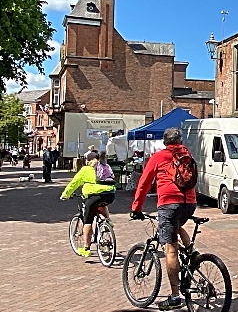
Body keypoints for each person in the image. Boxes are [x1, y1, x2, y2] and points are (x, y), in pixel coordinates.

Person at [130, 127, 197, 311]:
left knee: (171, 250)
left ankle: (175, 296)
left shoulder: (159, 157)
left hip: (169, 204)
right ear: (180, 140)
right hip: (190, 202)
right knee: (176, 226)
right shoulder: (187, 154)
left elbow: (144, 182)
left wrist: (136, 207)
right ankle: (193, 255)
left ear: (165, 142)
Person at [60, 152, 116, 257]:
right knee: (102, 203)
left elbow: (74, 183)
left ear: (88, 161)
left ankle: (86, 248)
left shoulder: (85, 169)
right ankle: (108, 220)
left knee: (88, 221)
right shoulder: (106, 166)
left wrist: (65, 195)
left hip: (94, 196)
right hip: (110, 194)